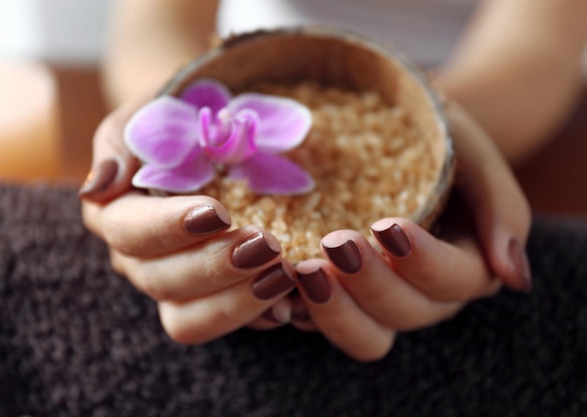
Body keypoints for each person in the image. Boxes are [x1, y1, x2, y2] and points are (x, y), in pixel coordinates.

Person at [78, 0, 587, 361]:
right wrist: (163, 110)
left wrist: (443, 128)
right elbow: (153, 24)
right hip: (247, 66)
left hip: (486, 102)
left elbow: (535, 51)